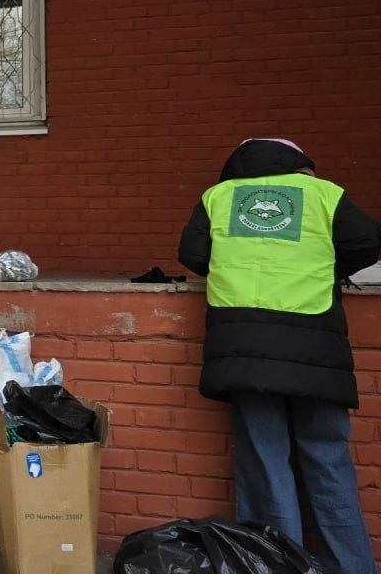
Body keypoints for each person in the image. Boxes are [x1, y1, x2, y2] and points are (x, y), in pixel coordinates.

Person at [178, 138, 380, 574]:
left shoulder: (218, 197)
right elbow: (368, 242)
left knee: (265, 464)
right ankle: (354, 567)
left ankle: (277, 566)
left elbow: (192, 255)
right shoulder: (324, 192)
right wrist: (324, 265)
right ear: (299, 163)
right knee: (328, 462)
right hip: (316, 349)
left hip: (247, 353)